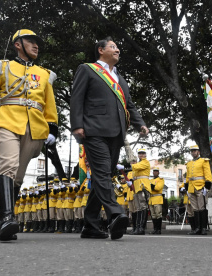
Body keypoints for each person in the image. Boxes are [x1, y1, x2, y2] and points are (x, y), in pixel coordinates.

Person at [0, 29, 58, 241]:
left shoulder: (45, 74)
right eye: (31, 41)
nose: (36, 45)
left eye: (37, 42)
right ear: (18, 44)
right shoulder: (2, 67)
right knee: (8, 165)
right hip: (7, 121)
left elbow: (50, 106)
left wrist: (52, 128)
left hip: (35, 127)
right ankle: (9, 218)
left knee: (18, 177)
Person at [70, 36, 148, 240]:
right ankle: (116, 213)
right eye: (113, 47)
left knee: (101, 176)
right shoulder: (87, 69)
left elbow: (129, 104)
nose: (118, 50)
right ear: (100, 50)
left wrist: (141, 123)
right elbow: (76, 97)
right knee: (103, 172)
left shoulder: (120, 79)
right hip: (93, 130)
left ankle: (90, 225)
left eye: (118, 47)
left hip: (117, 133)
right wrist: (77, 125)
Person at [185, 145, 212, 235]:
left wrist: (207, 187)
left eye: (195, 151)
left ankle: (203, 228)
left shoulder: (203, 161)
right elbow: (188, 177)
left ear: (198, 152)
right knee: (195, 209)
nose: (193, 152)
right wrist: (186, 188)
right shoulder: (189, 163)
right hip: (191, 188)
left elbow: (208, 174)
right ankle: (197, 228)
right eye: (192, 151)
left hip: (200, 187)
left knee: (201, 208)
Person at [130, 148, 151, 235]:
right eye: (140, 153)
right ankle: (138, 227)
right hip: (137, 186)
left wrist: (129, 164)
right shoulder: (138, 163)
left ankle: (141, 228)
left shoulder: (145, 162)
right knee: (138, 208)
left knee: (143, 207)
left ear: (145, 155)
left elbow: (136, 167)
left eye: (143, 153)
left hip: (143, 186)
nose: (141, 155)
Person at [149, 167, 165, 234]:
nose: (155, 172)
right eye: (154, 171)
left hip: (157, 198)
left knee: (158, 214)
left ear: (158, 172)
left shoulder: (161, 180)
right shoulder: (150, 180)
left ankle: (158, 229)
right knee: (153, 215)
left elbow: (158, 188)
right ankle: (155, 229)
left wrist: (152, 186)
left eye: (156, 171)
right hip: (151, 199)